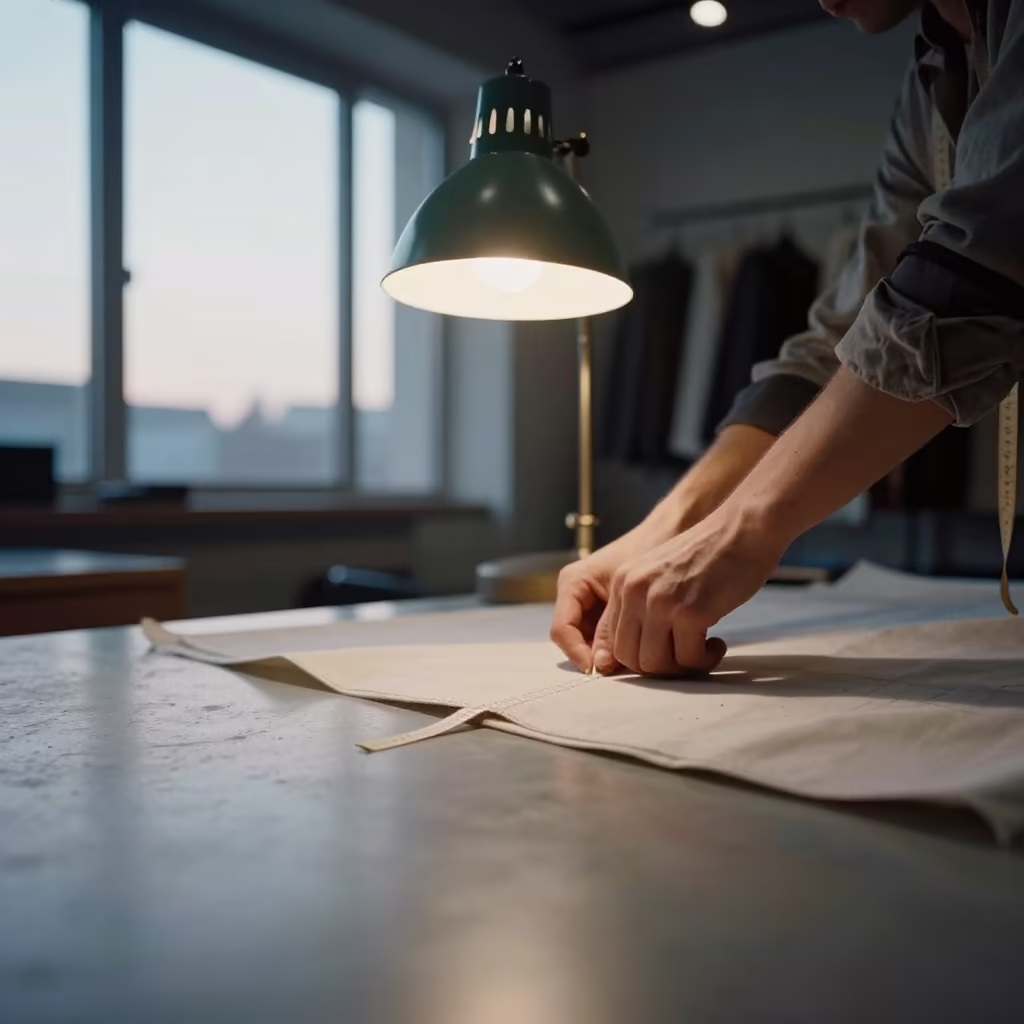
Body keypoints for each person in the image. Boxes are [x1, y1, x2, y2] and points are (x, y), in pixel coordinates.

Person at [551, 0, 1024, 677]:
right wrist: (667, 526)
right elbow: (842, 335)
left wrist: (743, 529)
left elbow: (982, 265)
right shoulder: (931, 81)